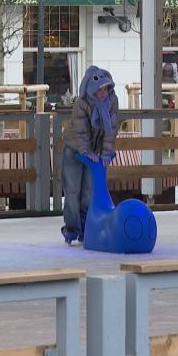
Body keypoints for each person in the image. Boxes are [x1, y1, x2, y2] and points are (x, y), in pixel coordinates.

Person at [60, 65, 119, 244]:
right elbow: (81, 132)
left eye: (106, 89)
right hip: (74, 149)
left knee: (88, 192)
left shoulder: (111, 102)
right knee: (72, 191)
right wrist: (86, 151)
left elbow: (111, 131)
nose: (103, 93)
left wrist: (106, 154)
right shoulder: (81, 104)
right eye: (100, 89)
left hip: (93, 151)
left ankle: (86, 228)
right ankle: (71, 228)